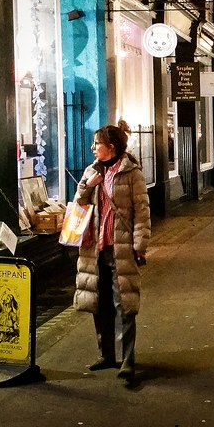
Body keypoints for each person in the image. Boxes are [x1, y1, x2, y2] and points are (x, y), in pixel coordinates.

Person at [73, 123, 150, 380]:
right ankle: (106, 355)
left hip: (121, 248)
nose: (93, 148)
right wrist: (88, 185)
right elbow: (78, 205)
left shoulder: (132, 174)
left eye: (97, 144)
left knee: (125, 305)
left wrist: (140, 246)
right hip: (95, 248)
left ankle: (127, 359)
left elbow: (142, 213)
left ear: (112, 147)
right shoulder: (91, 171)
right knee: (99, 302)